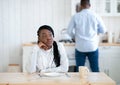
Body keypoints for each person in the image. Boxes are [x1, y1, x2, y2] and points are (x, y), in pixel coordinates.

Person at [67, 0, 106, 72]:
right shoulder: (96, 15)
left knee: (79, 70)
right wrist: (96, 32)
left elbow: (69, 31)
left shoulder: (75, 16)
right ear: (90, 5)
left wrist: (74, 37)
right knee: (95, 69)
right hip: (92, 46)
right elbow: (103, 30)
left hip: (80, 47)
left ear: (81, 6)